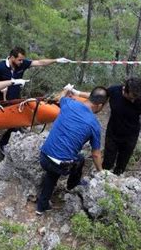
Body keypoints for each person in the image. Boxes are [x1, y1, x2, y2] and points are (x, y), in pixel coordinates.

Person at [70, 77, 141, 175]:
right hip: (113, 133)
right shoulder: (114, 91)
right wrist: (77, 93)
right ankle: (105, 179)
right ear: (125, 91)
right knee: (108, 161)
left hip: (130, 136)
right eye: (131, 97)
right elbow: (96, 97)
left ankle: (118, 178)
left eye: (135, 98)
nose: (133, 100)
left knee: (122, 164)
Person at [36, 86, 108, 215]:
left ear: (89, 96)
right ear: (100, 105)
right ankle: (72, 185)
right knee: (80, 159)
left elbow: (61, 97)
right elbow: (96, 154)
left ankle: (42, 206)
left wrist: (66, 89)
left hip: (44, 156)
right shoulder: (94, 125)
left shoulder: (68, 103)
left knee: (52, 174)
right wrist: (100, 172)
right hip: (61, 165)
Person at [0, 46, 72, 153]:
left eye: (22, 59)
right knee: (14, 123)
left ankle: (16, 131)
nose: (21, 62)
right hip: (3, 101)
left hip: (16, 98)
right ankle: (3, 144)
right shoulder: (1, 66)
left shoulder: (22, 64)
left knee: (19, 119)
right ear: (12, 57)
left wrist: (56, 60)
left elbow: (40, 63)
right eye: (19, 60)